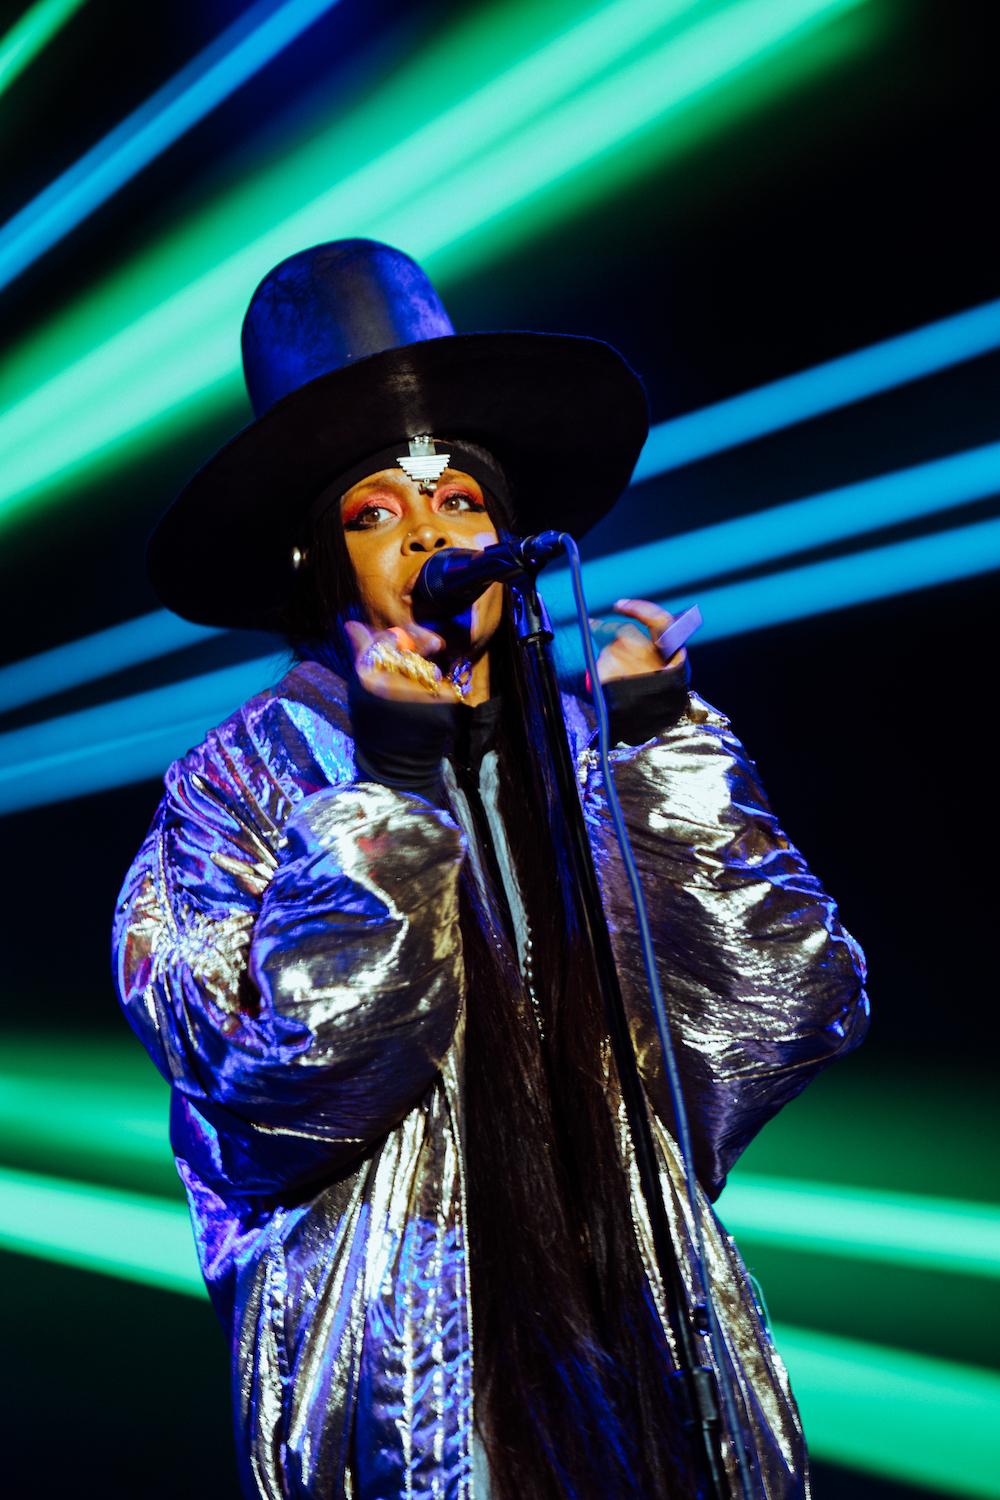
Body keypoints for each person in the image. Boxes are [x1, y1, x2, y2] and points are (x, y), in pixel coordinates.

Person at [114, 239, 868, 1500]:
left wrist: (658, 748)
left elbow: (784, 1012)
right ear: (317, 561)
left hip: (640, 1342)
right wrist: (390, 790)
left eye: (460, 501)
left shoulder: (582, 747)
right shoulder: (235, 783)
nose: (430, 532)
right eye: (375, 514)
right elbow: (271, 1090)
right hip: (419, 1379)